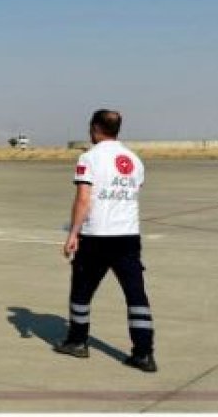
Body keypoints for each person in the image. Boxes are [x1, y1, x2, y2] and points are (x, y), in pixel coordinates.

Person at [55, 109, 157, 372]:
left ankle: (78, 341)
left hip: (96, 237)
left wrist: (73, 233)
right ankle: (144, 353)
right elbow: (135, 190)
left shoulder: (88, 158)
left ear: (95, 128)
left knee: (82, 290)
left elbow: (84, 198)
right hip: (128, 236)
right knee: (136, 294)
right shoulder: (134, 160)